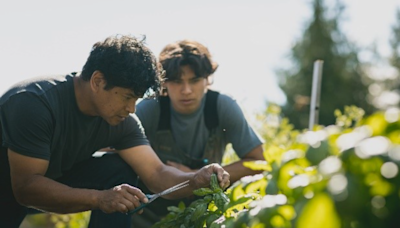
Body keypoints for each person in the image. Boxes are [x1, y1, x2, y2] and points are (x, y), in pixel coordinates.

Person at [0, 35, 230, 228]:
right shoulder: (34, 103)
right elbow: (26, 188)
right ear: (98, 81)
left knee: (118, 169)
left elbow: (157, 173)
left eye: (136, 100)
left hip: (42, 184)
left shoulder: (121, 121)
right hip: (11, 188)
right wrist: (101, 198)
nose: (131, 109)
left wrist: (195, 179)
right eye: (128, 97)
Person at [133, 39, 265, 226]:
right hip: (150, 213)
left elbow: (258, 162)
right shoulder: (149, 109)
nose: (186, 90)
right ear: (163, 83)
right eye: (177, 81)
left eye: (194, 80)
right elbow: (116, 154)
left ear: (207, 80)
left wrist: (198, 176)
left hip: (206, 210)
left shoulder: (222, 107)